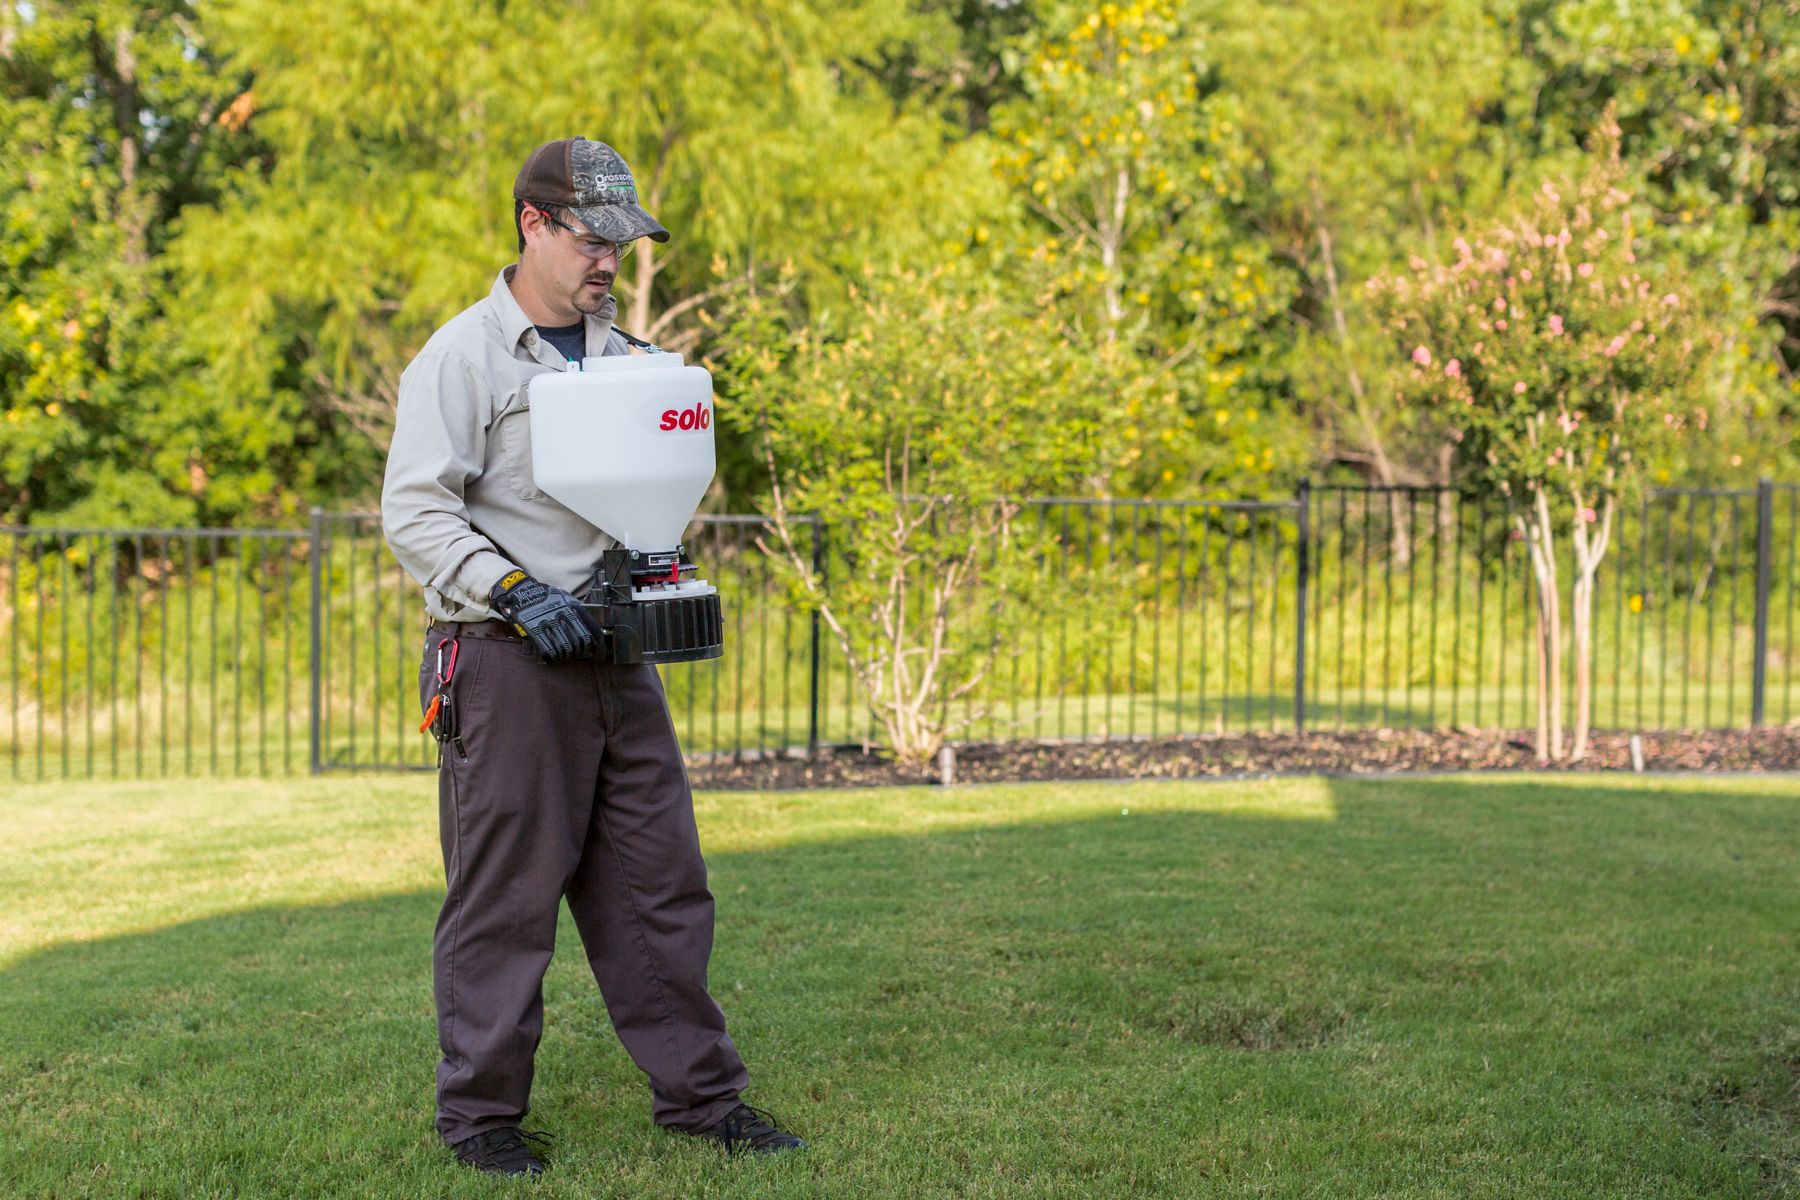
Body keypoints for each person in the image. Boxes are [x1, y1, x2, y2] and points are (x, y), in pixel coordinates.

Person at [380, 136, 803, 1178]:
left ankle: (704, 1101)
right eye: (589, 235)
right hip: (508, 662)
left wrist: (663, 558)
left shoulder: (634, 363)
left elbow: (648, 497)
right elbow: (415, 510)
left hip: (620, 659)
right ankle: (481, 1116)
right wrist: (516, 592)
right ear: (533, 225)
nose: (609, 257)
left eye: (623, 238)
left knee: (661, 885)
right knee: (507, 896)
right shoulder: (465, 356)